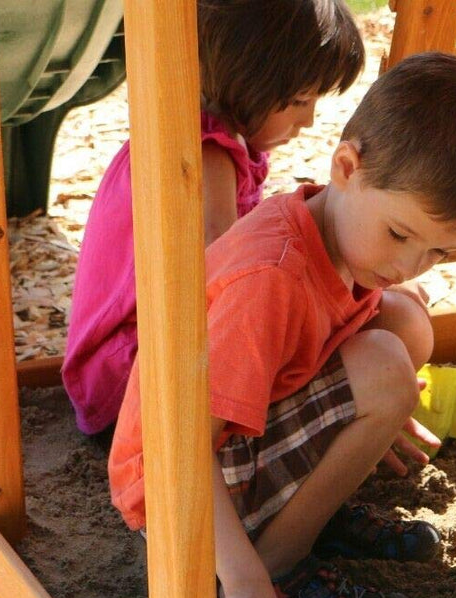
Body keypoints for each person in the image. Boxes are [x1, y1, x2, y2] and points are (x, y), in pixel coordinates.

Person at [108, 52, 456, 598]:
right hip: (176, 503)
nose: (410, 264)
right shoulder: (271, 279)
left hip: (233, 460)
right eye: (401, 236)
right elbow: (178, 451)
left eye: (438, 252)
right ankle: (281, 564)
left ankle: (301, 520)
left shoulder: (336, 235)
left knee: (404, 322)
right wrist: (247, 588)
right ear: (347, 166)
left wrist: (354, 429)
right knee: (385, 368)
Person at [63, 0, 365, 437]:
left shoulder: (212, 140)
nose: (309, 119)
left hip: (131, 365)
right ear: (244, 80)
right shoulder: (205, 156)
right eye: (299, 100)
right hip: (132, 381)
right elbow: (226, 276)